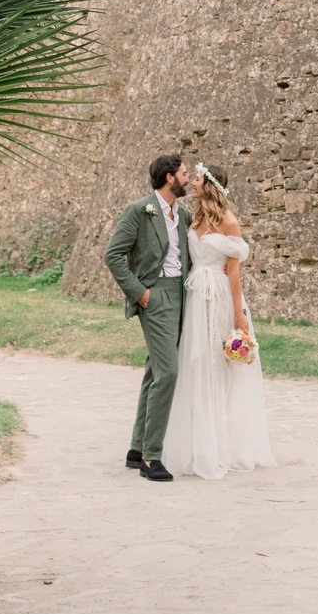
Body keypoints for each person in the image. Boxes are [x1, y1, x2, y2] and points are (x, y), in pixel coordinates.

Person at [160, 163, 276, 479]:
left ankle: (221, 445)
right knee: (196, 364)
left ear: (208, 185)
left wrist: (239, 315)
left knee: (218, 368)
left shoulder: (229, 222)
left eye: (196, 179)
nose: (191, 184)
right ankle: (197, 443)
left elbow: (235, 272)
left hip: (220, 298)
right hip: (195, 297)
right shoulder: (194, 218)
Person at [103, 153, 192, 482]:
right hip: (155, 296)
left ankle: (137, 449)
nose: (187, 179)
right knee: (168, 372)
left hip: (181, 296)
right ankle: (152, 458)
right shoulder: (139, 210)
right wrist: (139, 293)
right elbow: (112, 254)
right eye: (184, 173)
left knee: (155, 370)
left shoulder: (182, 216)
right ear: (169, 177)